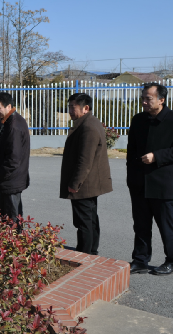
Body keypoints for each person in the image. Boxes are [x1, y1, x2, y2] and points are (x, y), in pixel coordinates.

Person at [127, 83, 173, 275]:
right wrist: (131, 177)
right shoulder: (138, 119)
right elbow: (131, 150)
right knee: (141, 225)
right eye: (143, 98)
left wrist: (157, 156)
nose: (144, 102)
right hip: (140, 182)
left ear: (162, 99)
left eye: (148, 98)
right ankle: (140, 260)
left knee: (166, 225)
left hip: (163, 182)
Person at [60, 93, 113, 255]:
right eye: (69, 107)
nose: (70, 111)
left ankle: (84, 254)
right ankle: (92, 251)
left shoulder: (88, 127)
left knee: (83, 222)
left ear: (86, 108)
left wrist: (75, 184)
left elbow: (85, 160)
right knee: (90, 219)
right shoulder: (89, 122)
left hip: (84, 185)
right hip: (89, 183)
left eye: (73, 107)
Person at [0, 92, 30, 223]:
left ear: (8, 106)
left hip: (11, 178)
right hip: (11, 178)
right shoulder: (11, 121)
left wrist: (1, 175)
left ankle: (16, 235)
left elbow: (13, 158)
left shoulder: (14, 125)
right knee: (8, 214)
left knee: (12, 217)